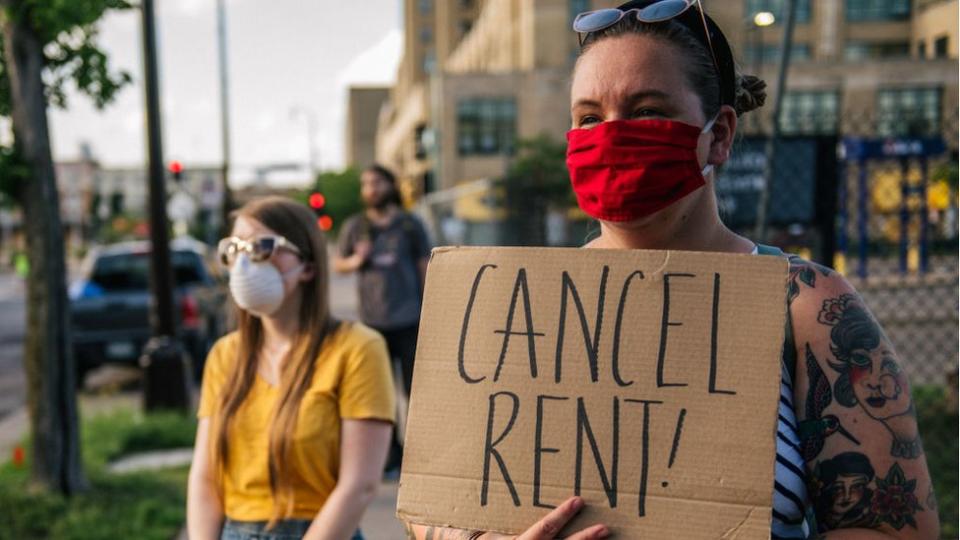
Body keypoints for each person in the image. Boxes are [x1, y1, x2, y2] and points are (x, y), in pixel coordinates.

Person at [406, 1, 938, 539]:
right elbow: (435, 503)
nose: (612, 135)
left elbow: (890, 526)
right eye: (589, 118)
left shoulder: (805, 307)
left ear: (721, 134)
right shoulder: (512, 304)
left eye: (646, 112)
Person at [187, 196, 395, 540]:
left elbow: (359, 484)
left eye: (263, 246)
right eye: (235, 248)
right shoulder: (225, 355)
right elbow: (204, 477)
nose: (245, 261)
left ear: (308, 266)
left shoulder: (356, 349)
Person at [333, 164, 431, 470]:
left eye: (376, 182)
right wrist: (356, 259)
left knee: (417, 391)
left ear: (390, 185)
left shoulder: (409, 225)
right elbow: (339, 265)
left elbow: (424, 264)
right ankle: (391, 455)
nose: (370, 189)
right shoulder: (356, 226)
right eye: (366, 184)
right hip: (373, 323)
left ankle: (422, 456)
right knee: (382, 394)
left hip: (411, 319)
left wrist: (434, 307)